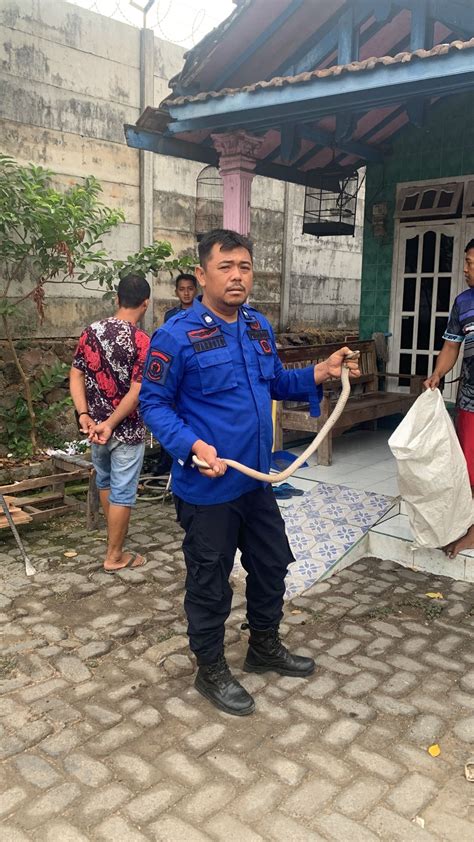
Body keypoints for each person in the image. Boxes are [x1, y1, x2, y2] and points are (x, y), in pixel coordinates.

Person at [140, 228, 360, 716]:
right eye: (225, 267)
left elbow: (278, 381)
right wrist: (192, 445)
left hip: (257, 482)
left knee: (272, 562)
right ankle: (210, 667)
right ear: (201, 275)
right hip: (208, 486)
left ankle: (263, 647)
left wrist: (321, 371)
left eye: (244, 266)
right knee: (209, 580)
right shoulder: (175, 335)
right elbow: (153, 404)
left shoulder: (258, 327)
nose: (237, 276)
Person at [70, 273, 150, 573]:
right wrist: (113, 423)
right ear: (145, 304)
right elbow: (138, 389)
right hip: (125, 429)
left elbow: (76, 374)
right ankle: (115, 555)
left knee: (105, 481)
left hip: (95, 429)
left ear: (117, 299)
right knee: (123, 491)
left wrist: (85, 416)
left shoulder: (90, 332)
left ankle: (112, 541)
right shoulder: (142, 341)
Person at [424, 238, 474, 557]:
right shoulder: (463, 302)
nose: (466, 269)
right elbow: (452, 345)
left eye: (471, 262)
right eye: (466, 262)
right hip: (470, 401)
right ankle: (469, 529)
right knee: (467, 469)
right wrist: (438, 374)